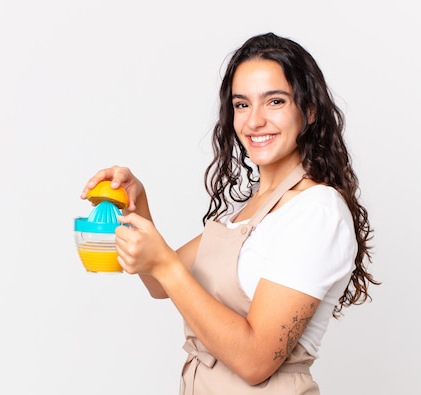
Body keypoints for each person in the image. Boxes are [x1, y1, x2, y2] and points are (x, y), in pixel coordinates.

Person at [80, 32, 378, 394]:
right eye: (241, 105)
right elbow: (161, 284)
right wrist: (135, 204)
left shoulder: (317, 211)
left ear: (310, 110)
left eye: (275, 101)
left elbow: (256, 361)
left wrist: (164, 265)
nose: (254, 121)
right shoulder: (247, 209)